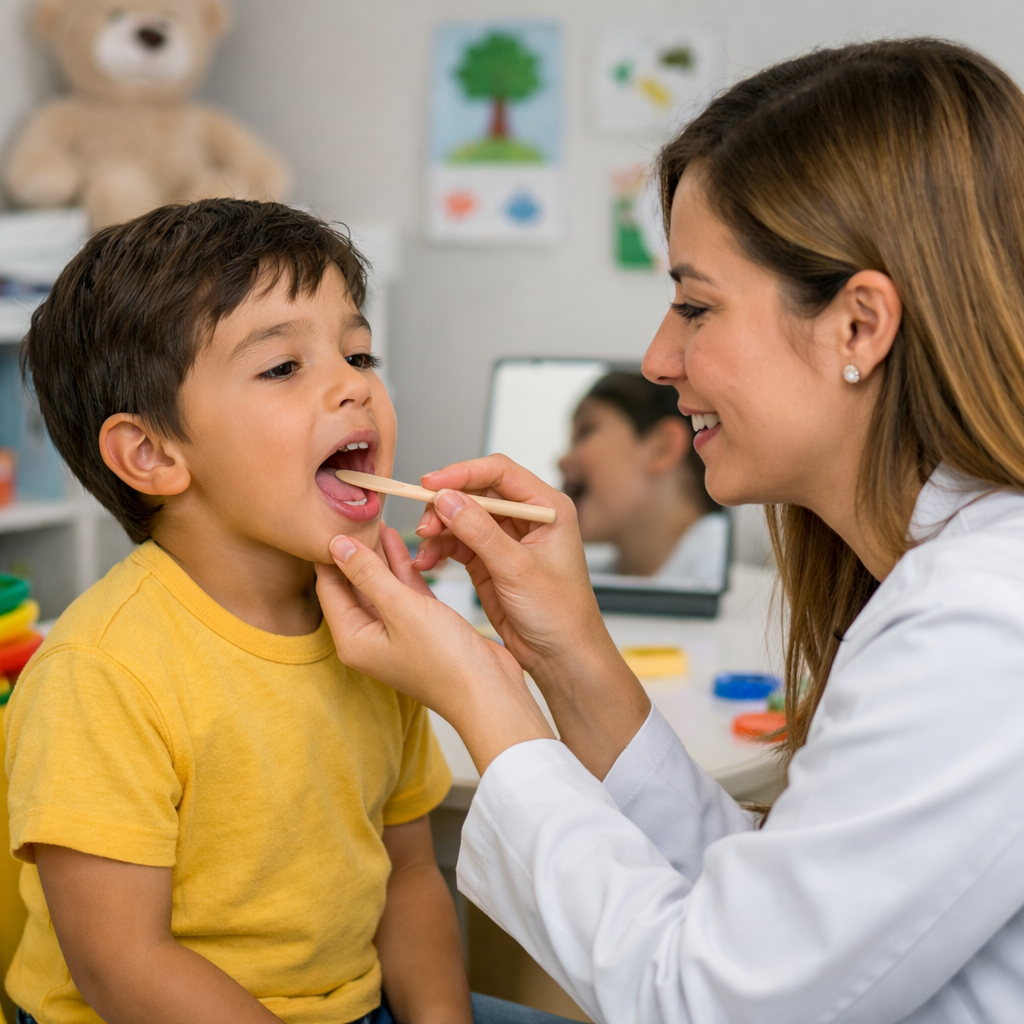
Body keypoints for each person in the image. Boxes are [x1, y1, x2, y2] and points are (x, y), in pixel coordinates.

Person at [315, 39, 1024, 1024]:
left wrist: (485, 695)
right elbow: (773, 916)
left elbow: (712, 998)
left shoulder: (982, 624)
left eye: (694, 305)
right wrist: (566, 654)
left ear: (859, 327)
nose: (656, 357)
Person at [4, 200, 571, 1024]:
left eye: (358, 353)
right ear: (152, 454)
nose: (355, 385)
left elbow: (410, 874)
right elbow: (122, 964)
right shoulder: (101, 673)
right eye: (282, 368)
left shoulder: (382, 636)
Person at [559, 371, 727, 583]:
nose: (561, 460)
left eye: (585, 431)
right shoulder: (586, 576)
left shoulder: (720, 565)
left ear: (662, 448)